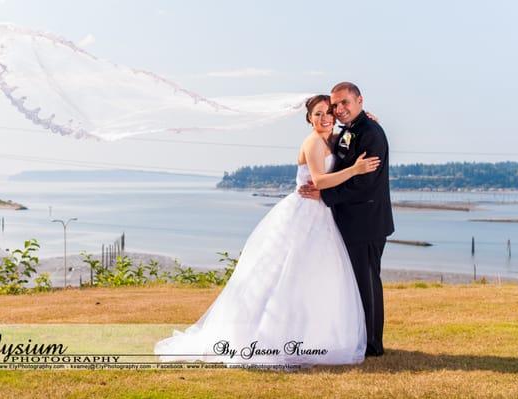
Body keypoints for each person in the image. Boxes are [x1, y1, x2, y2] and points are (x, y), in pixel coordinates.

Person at [154, 95, 380, 366]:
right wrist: (355, 170)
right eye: (318, 114)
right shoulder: (312, 142)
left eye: (328, 112)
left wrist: (367, 119)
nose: (325, 118)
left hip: (322, 214)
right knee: (286, 274)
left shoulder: (331, 138)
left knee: (315, 277)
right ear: (308, 118)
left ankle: (314, 337)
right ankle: (268, 336)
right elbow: (319, 180)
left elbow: (346, 131)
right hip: (305, 213)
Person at [298, 82, 394, 357]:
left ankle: (373, 344)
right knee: (352, 282)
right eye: (335, 105)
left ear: (360, 101)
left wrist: (325, 196)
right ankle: (357, 337)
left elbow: (365, 184)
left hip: (367, 221)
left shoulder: (371, 134)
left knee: (367, 283)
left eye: (344, 104)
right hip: (347, 220)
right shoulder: (345, 131)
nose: (339, 110)